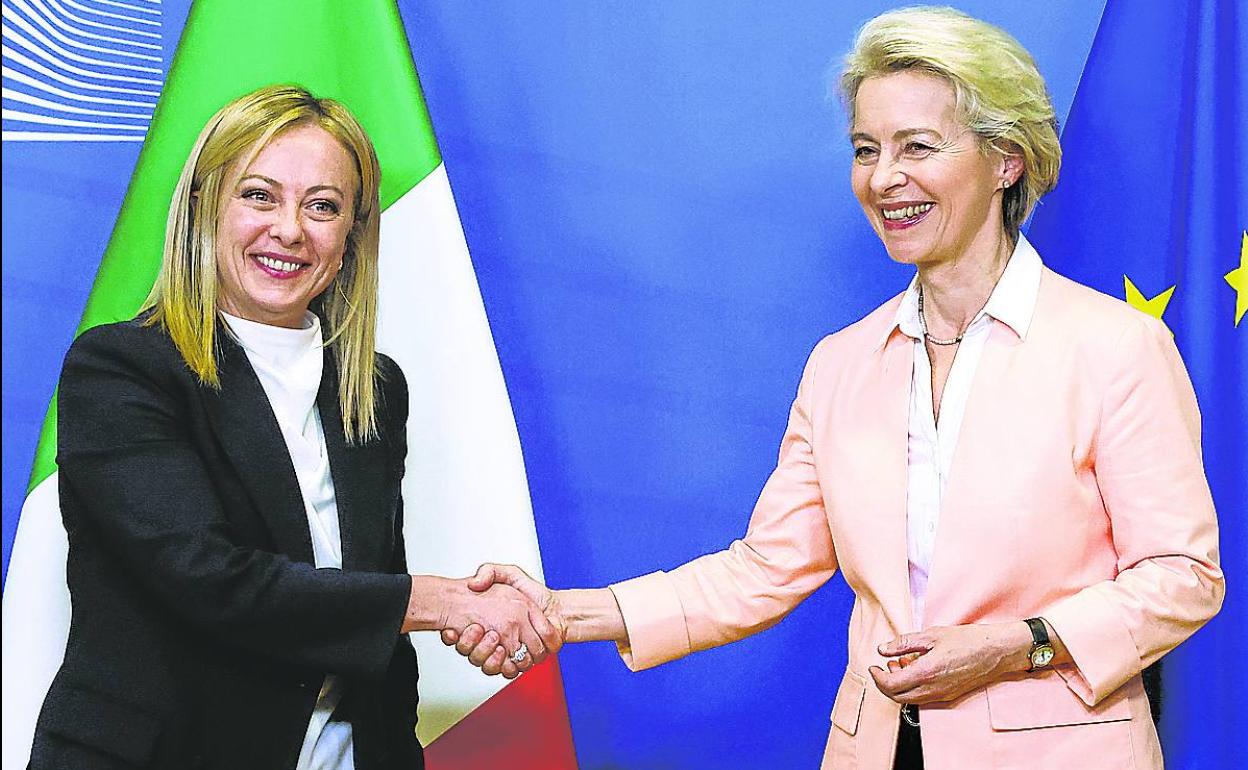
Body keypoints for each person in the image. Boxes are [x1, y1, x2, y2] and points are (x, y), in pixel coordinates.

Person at [443, 7, 1225, 769]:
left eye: (917, 146)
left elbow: (1182, 577)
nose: (884, 179)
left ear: (1006, 160)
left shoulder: (1116, 348)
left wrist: (1019, 645)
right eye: (865, 149)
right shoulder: (841, 363)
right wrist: (564, 612)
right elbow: (763, 569)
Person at [29, 85, 560, 770]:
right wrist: (445, 602)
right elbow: (209, 580)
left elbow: (378, 630)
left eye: (322, 206)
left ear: (351, 235)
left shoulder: (373, 389)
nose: (289, 230)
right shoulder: (122, 368)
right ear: (204, 206)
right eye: (259, 196)